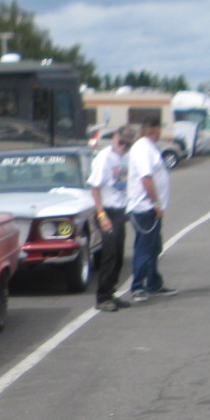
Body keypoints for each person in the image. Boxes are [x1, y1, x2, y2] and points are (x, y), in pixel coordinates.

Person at [87, 125, 135, 311]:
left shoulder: (125, 157)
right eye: (121, 142)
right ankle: (102, 298)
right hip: (107, 211)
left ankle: (111, 292)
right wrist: (101, 215)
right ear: (115, 137)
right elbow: (95, 188)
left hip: (120, 210)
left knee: (119, 256)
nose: (123, 146)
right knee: (109, 255)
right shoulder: (105, 158)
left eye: (127, 144)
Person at [126, 119, 175, 301]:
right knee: (144, 248)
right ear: (154, 129)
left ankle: (154, 283)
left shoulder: (150, 147)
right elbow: (146, 179)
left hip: (151, 207)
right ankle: (138, 287)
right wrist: (156, 203)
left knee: (154, 247)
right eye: (159, 128)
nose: (160, 131)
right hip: (144, 206)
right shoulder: (142, 148)